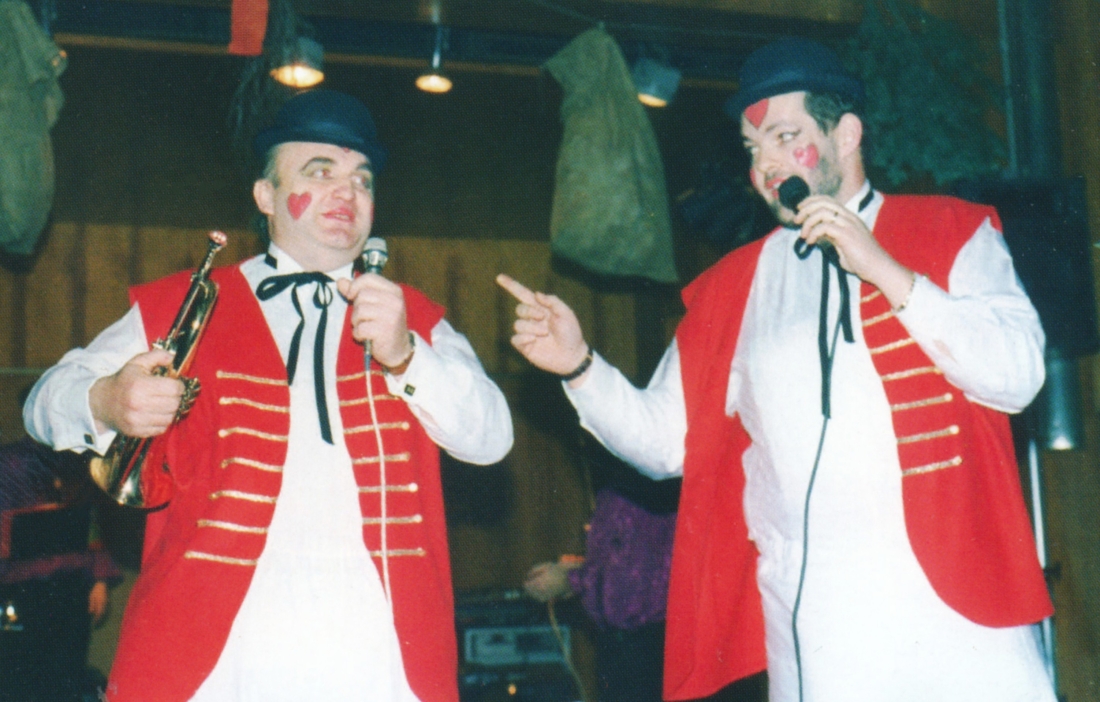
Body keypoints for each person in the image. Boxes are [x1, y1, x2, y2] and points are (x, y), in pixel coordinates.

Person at [498, 37, 1055, 702]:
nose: (764, 166)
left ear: (846, 134)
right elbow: (663, 443)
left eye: (785, 137)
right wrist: (581, 367)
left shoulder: (952, 231)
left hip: (957, 607)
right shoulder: (734, 286)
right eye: (752, 148)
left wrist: (888, 272)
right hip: (815, 619)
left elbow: (1018, 376)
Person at [25, 88, 513, 702]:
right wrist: (105, 400)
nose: (348, 192)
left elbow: (492, 439)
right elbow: (43, 403)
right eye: (320, 172)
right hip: (221, 653)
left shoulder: (412, 317)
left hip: (376, 650)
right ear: (266, 196)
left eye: (362, 179)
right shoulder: (186, 301)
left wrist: (406, 354)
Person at [523, 458, 679, 702]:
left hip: (645, 653)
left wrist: (568, 580)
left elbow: (627, 592)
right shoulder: (632, 480)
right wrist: (580, 570)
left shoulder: (636, 483)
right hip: (643, 650)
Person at [0, 429, 122, 702]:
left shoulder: (79, 462)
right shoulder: (9, 462)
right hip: (21, 586)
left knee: (67, 671)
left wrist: (99, 581)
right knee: (21, 676)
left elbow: (93, 522)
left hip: (71, 585)